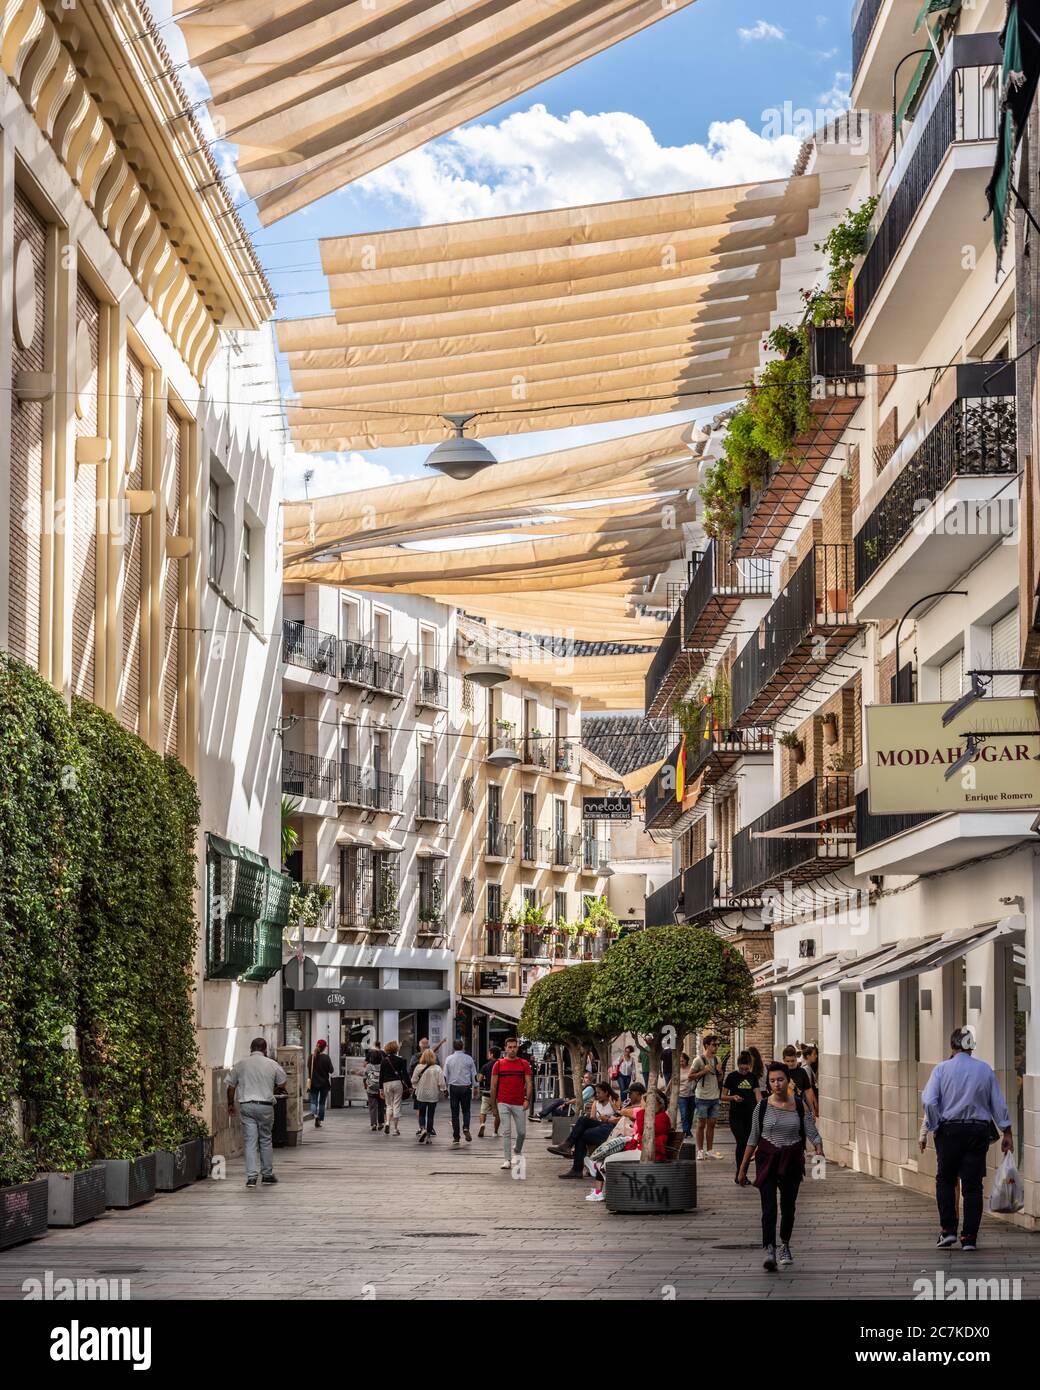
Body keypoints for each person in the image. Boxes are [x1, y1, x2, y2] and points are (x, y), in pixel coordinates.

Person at [922, 1026, 1013, 1252]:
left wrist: (935, 1124)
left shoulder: (941, 1070)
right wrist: (1007, 1131)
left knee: (945, 1180)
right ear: (971, 1047)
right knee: (972, 1187)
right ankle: (970, 1238)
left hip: (949, 1132)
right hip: (977, 1131)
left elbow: (929, 1101)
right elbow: (998, 1104)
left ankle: (948, 1231)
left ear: (952, 1046)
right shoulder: (984, 1070)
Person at [737, 1062, 824, 1271]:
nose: (776, 1084)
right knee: (768, 1206)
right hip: (766, 1158)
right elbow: (753, 1137)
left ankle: (784, 1244)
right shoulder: (763, 1106)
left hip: (791, 1159)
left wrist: (819, 1148)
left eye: (780, 1080)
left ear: (788, 1081)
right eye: (773, 1081)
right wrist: (741, 1169)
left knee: (788, 1206)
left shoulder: (799, 1104)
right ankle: (770, 1249)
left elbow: (810, 1130)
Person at [227, 1038, 287, 1187]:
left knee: (250, 1142)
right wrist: (273, 1089)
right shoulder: (272, 1064)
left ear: (251, 1048)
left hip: (247, 1106)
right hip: (265, 1106)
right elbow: (282, 1082)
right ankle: (267, 1175)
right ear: (265, 1049)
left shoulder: (241, 1064)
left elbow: (231, 1086)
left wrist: (230, 1103)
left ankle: (251, 1177)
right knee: (266, 1140)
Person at [548, 1082, 619, 1178]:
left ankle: (574, 1163)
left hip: (610, 1128)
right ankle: (569, 1151)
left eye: (599, 1093)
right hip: (599, 1126)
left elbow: (620, 1114)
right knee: (583, 1121)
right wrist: (596, 1118)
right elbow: (593, 1118)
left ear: (606, 1092)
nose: (597, 1095)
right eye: (596, 1093)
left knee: (581, 1134)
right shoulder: (596, 1103)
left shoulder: (615, 1099)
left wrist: (608, 1112)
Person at [490, 1036, 533, 1170]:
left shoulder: (524, 1064)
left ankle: (517, 1148)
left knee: (522, 1132)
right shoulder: (498, 1064)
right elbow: (493, 1086)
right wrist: (493, 1106)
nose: (512, 1049)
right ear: (505, 1048)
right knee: (506, 1132)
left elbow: (529, 1083)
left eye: (514, 1047)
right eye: (510, 1047)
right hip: (503, 1101)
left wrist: (527, 1099)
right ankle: (507, 1159)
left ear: (518, 1048)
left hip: (519, 1102)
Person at [723, 1050, 761, 1174]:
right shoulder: (732, 1077)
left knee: (748, 1144)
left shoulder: (752, 1077)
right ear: (738, 1065)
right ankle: (739, 1172)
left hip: (750, 1115)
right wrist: (733, 1097)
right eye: (742, 1069)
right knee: (741, 1142)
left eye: (747, 1069)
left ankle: (743, 1172)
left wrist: (762, 1107)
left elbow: (757, 1094)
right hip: (736, 1115)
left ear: (750, 1066)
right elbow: (722, 1096)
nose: (744, 1071)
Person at [691, 1034, 723, 1159]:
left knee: (712, 1124)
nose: (717, 1047)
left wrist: (720, 1072)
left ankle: (710, 1150)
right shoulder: (698, 1060)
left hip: (714, 1096)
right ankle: (700, 1150)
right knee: (701, 1124)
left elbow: (719, 1078)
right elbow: (690, 1076)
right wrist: (703, 1071)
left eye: (718, 1045)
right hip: (702, 1097)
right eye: (714, 1045)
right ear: (706, 1045)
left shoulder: (717, 1060)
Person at [443, 1038, 478, 1145]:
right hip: (466, 1087)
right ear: (462, 1046)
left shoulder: (449, 1059)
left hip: (453, 1087)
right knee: (466, 1110)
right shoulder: (469, 1059)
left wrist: (445, 1089)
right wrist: (476, 1087)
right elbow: (474, 1074)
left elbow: (445, 1075)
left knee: (455, 1113)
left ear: (453, 1047)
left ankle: (456, 1136)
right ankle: (466, 1127)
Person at [411, 1048, 448, 1143]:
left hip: (421, 1094)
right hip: (433, 1094)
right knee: (431, 1115)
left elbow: (413, 1080)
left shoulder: (418, 1067)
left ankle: (422, 1128)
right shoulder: (437, 1068)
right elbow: (442, 1083)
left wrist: (415, 1086)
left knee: (422, 1113)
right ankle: (428, 1136)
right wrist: (443, 1090)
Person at [378, 1040, 409, 1136]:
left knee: (388, 1105)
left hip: (386, 1084)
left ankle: (387, 1123)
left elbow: (381, 1075)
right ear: (396, 1049)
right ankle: (395, 1129)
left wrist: (380, 1089)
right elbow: (405, 1074)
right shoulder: (401, 1060)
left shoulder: (384, 1060)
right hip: (397, 1083)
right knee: (396, 1105)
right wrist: (409, 1085)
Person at [782, 1044, 818, 1119]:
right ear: (783, 1060)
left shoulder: (802, 1072)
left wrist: (812, 1110)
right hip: (783, 1108)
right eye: (787, 1061)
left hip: (799, 1107)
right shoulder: (781, 1073)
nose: (790, 1064)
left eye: (793, 1061)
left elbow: (808, 1091)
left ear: (796, 1058)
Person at [307, 1039, 334, 1128]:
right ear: (324, 1048)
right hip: (324, 1084)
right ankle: (319, 1119)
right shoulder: (326, 1058)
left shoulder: (311, 1057)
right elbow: (331, 1070)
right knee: (322, 1103)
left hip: (313, 1083)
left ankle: (314, 1114)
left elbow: (308, 1069)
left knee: (313, 1102)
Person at [477, 1046, 500, 1139]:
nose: (488, 1054)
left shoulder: (485, 1066)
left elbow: (480, 1079)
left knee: (483, 1111)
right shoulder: (501, 1064)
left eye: (489, 1053)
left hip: (487, 1092)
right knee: (497, 1114)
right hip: (498, 1093)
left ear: (492, 1054)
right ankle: (495, 1132)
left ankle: (482, 1124)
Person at [364, 1047, 385, 1132]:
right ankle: (381, 1123)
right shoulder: (383, 1065)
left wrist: (365, 1085)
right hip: (381, 1090)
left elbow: (365, 1077)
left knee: (372, 1107)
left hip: (371, 1089)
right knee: (381, 1106)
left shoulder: (368, 1066)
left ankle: (373, 1124)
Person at [677, 1053, 696, 1137]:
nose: (681, 1063)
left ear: (686, 1060)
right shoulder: (677, 1070)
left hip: (692, 1095)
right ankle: (686, 1132)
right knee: (684, 1114)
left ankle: (688, 1130)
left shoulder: (691, 1069)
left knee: (690, 1115)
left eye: (682, 1061)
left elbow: (696, 1077)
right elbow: (672, 1081)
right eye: (680, 1061)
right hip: (681, 1095)